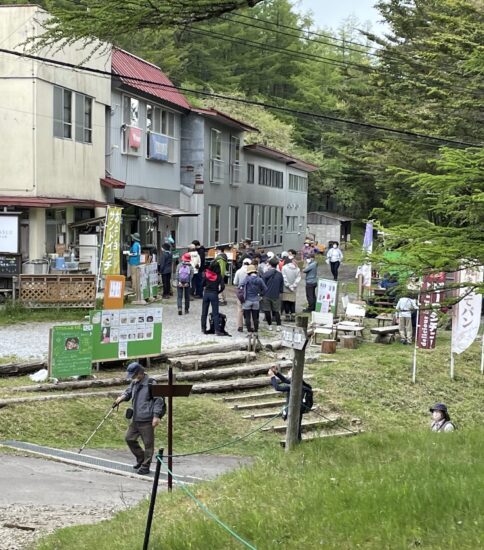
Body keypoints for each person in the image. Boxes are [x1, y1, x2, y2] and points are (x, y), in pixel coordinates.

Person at [114, 363, 165, 475]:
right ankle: (141, 459)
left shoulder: (151, 383)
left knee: (148, 444)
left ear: (140, 373)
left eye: (134, 375)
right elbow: (128, 392)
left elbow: (158, 400)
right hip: (136, 418)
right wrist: (121, 398)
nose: (132, 377)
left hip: (147, 419)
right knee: (129, 438)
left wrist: (156, 416)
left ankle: (145, 466)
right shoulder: (134, 383)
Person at [268, 365, 313, 441]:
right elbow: (286, 380)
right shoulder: (301, 383)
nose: (288, 373)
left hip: (293, 409)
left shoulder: (293, 386)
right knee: (297, 426)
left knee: (293, 426)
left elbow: (277, 387)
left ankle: (292, 442)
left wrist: (272, 377)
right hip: (300, 408)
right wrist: (276, 373)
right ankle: (298, 441)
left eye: (289, 372)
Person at [241, 264, 267, 334]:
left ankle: (249, 332)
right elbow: (265, 289)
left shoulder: (247, 278)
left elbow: (240, 285)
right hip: (256, 300)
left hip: (247, 300)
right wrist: (260, 294)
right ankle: (256, 332)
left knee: (247, 317)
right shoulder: (259, 279)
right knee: (255, 318)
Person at [201, 260, 225, 336]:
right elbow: (223, 286)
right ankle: (217, 330)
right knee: (215, 313)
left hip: (206, 294)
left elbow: (202, 284)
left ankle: (203, 328)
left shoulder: (206, 274)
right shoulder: (218, 276)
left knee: (204, 312)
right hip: (214, 294)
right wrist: (218, 291)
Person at [262, 257, 284, 331]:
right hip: (276, 294)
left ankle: (270, 325)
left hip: (266, 294)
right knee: (276, 310)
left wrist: (261, 293)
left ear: (270, 264)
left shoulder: (266, 274)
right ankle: (278, 325)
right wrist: (280, 292)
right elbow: (281, 286)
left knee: (267, 310)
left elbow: (262, 285)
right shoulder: (280, 274)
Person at [233, 258, 251, 332]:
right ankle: (250, 325)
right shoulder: (252, 272)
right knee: (249, 309)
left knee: (240, 309)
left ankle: (240, 326)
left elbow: (235, 282)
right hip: (250, 292)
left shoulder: (239, 271)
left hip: (240, 292)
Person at [281, 256, 301, 322]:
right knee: (292, 302)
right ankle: (293, 317)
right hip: (293, 289)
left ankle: (287, 316)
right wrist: (293, 286)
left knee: (286, 302)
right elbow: (298, 279)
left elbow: (284, 277)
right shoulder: (297, 269)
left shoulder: (284, 268)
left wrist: (288, 285)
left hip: (286, 288)